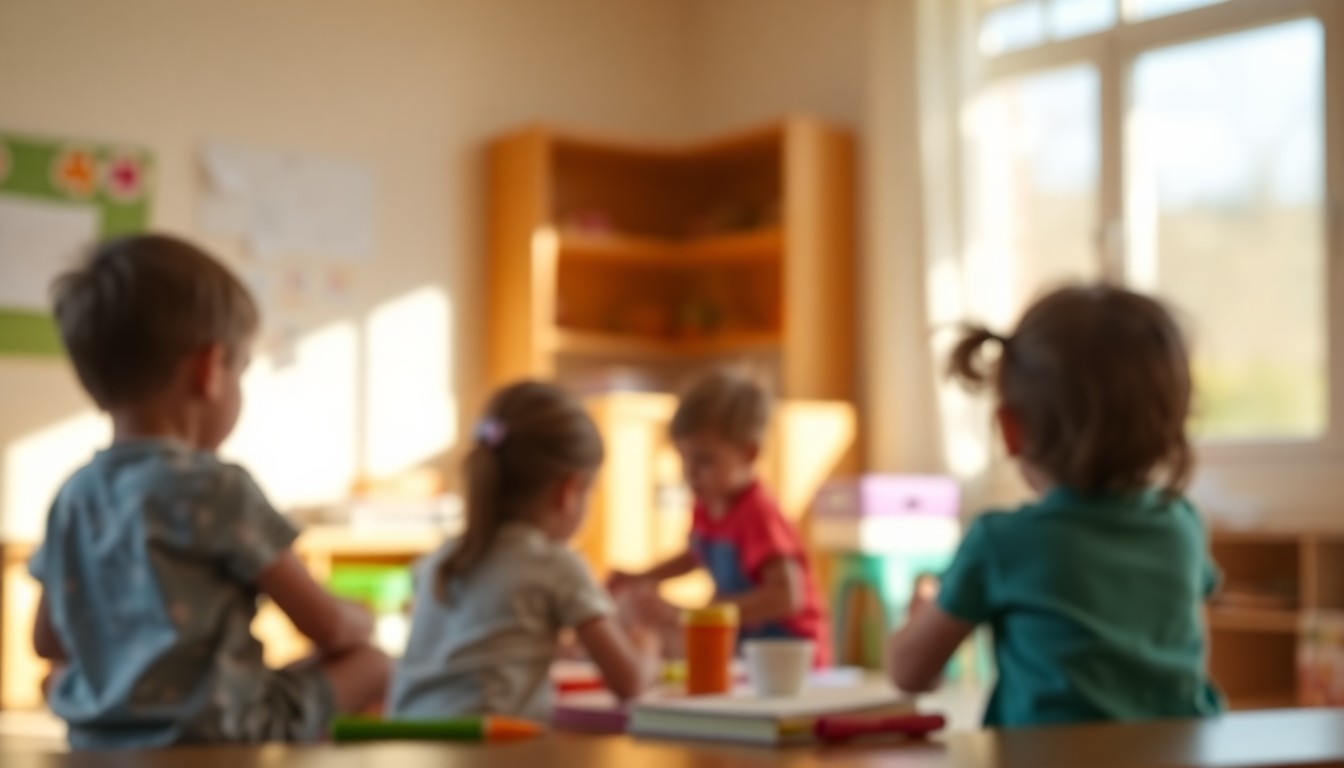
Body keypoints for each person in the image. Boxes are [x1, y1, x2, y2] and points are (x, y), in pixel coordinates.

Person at [30, 234, 388, 750]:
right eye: (241, 367)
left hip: (104, 736)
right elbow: (328, 628)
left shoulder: (74, 494)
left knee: (59, 681)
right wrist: (363, 617)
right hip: (223, 732)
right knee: (371, 664)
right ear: (209, 370)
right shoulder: (218, 487)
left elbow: (46, 641)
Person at [888, 284, 1224, 728]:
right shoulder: (1181, 526)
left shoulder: (1002, 541)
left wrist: (924, 611)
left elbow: (909, 673)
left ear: (1011, 428)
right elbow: (1186, 654)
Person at [389, 381, 655, 719]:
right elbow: (629, 682)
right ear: (569, 491)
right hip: (489, 754)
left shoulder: (441, 560)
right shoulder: (555, 565)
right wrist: (646, 646)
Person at [608, 370, 830, 665]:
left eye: (704, 460)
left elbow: (787, 597)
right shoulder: (707, 504)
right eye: (684, 458)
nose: (690, 472)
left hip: (786, 653)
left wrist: (694, 613)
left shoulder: (758, 513)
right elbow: (697, 554)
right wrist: (643, 576)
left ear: (748, 454)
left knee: (672, 630)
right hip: (745, 644)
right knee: (649, 626)